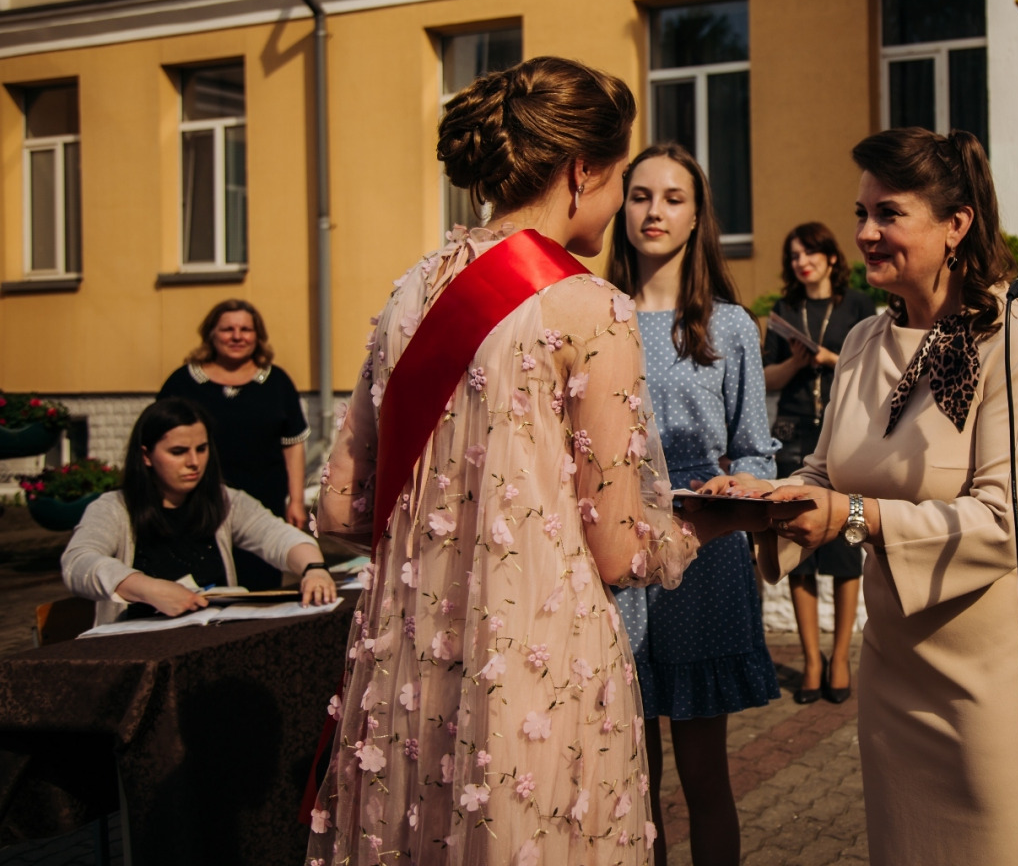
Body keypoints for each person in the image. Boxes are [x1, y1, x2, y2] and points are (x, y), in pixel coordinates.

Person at [307, 58, 771, 866]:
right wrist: (721, 516)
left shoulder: (411, 292)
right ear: (581, 170)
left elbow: (342, 508)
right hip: (538, 671)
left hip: (414, 665)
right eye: (620, 174)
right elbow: (625, 554)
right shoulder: (592, 307)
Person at [703, 127, 1018, 865]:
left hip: (996, 664)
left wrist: (851, 517)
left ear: (957, 226)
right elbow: (826, 473)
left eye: (889, 214)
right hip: (897, 658)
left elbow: (1012, 521)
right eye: (861, 214)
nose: (865, 234)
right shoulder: (863, 341)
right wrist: (763, 495)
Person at [607, 143, 780, 866]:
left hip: (702, 556)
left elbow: (753, 448)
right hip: (613, 553)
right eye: (641, 195)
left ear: (697, 214)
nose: (654, 211)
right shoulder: (596, 316)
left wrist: (732, 489)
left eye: (673, 198)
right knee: (625, 777)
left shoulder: (730, 325)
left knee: (704, 776)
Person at [61, 397, 334, 626]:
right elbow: (78, 563)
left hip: (211, 639)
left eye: (201, 449)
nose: (194, 462)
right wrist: (147, 588)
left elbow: (278, 536)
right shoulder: (113, 508)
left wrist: (314, 569)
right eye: (178, 451)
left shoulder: (224, 500)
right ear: (146, 455)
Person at [761, 222, 874, 703]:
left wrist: (829, 358)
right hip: (791, 435)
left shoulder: (858, 307)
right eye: (793, 254)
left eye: (809, 251)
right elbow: (768, 377)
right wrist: (795, 363)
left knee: (847, 547)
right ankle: (811, 661)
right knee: (797, 552)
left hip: (844, 435)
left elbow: (871, 370)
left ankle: (841, 656)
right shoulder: (783, 311)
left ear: (830, 257)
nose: (801, 260)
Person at [158, 299, 310, 590]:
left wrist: (297, 501)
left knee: (261, 585)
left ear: (257, 336)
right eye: (228, 329)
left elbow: (293, 444)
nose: (237, 336)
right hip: (198, 505)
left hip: (263, 502)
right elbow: (158, 440)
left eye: (245, 329)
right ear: (211, 334)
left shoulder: (276, 382)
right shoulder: (183, 383)